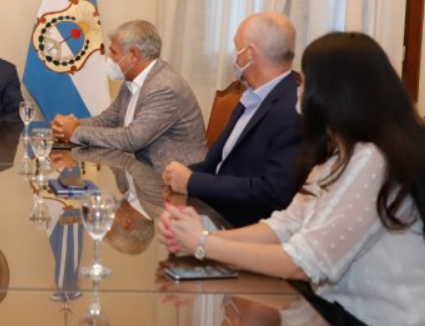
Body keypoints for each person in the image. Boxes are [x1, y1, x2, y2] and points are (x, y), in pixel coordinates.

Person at [158, 33, 425, 326]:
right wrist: (199, 238)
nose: (299, 92)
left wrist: (203, 244)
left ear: (334, 93)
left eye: (306, 83)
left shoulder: (372, 158)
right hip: (327, 307)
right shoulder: (336, 158)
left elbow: (305, 261)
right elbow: (284, 225)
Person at [162, 12, 301, 227]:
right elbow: (218, 165)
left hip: (243, 230)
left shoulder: (293, 109)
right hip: (212, 215)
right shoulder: (253, 96)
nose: (234, 54)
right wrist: (181, 173)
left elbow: (272, 191)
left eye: (236, 47)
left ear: (250, 54)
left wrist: (192, 181)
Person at [51, 20, 206, 168]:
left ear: (133, 55)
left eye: (113, 52)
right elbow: (108, 120)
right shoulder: (131, 80)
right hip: (139, 171)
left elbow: (132, 139)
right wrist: (68, 126)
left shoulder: (164, 86)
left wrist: (75, 132)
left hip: (171, 178)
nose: (109, 58)